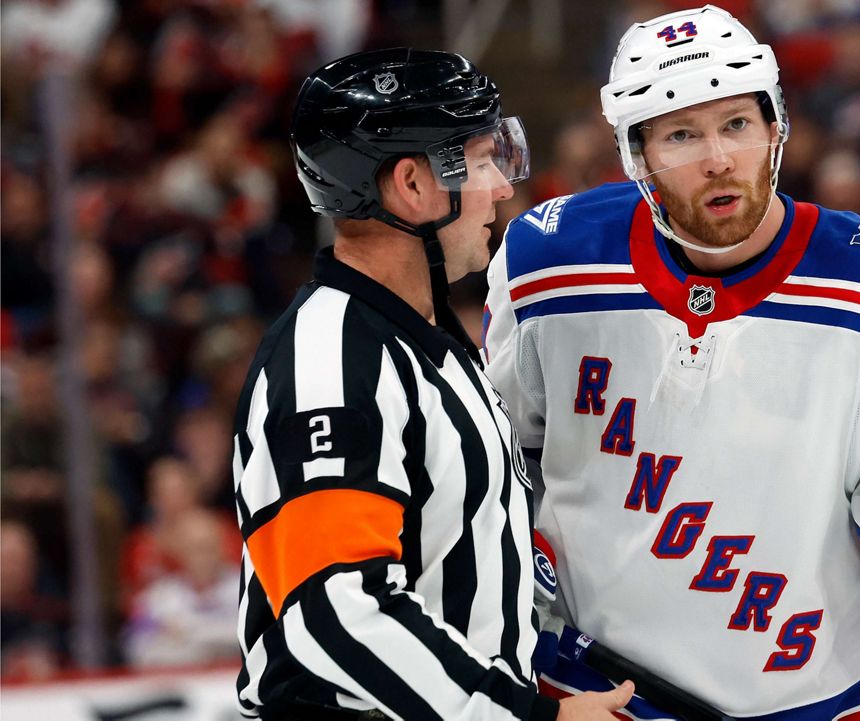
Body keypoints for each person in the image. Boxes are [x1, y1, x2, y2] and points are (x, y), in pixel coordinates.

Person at [484, 6, 860, 720]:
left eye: (736, 123)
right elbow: (494, 473)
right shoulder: (545, 264)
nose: (718, 159)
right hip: (590, 699)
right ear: (636, 154)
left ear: (776, 126)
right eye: (680, 135)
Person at [233, 48, 632, 721]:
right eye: (481, 161)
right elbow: (335, 609)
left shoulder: (433, 343)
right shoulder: (328, 363)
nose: (503, 188)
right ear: (413, 185)